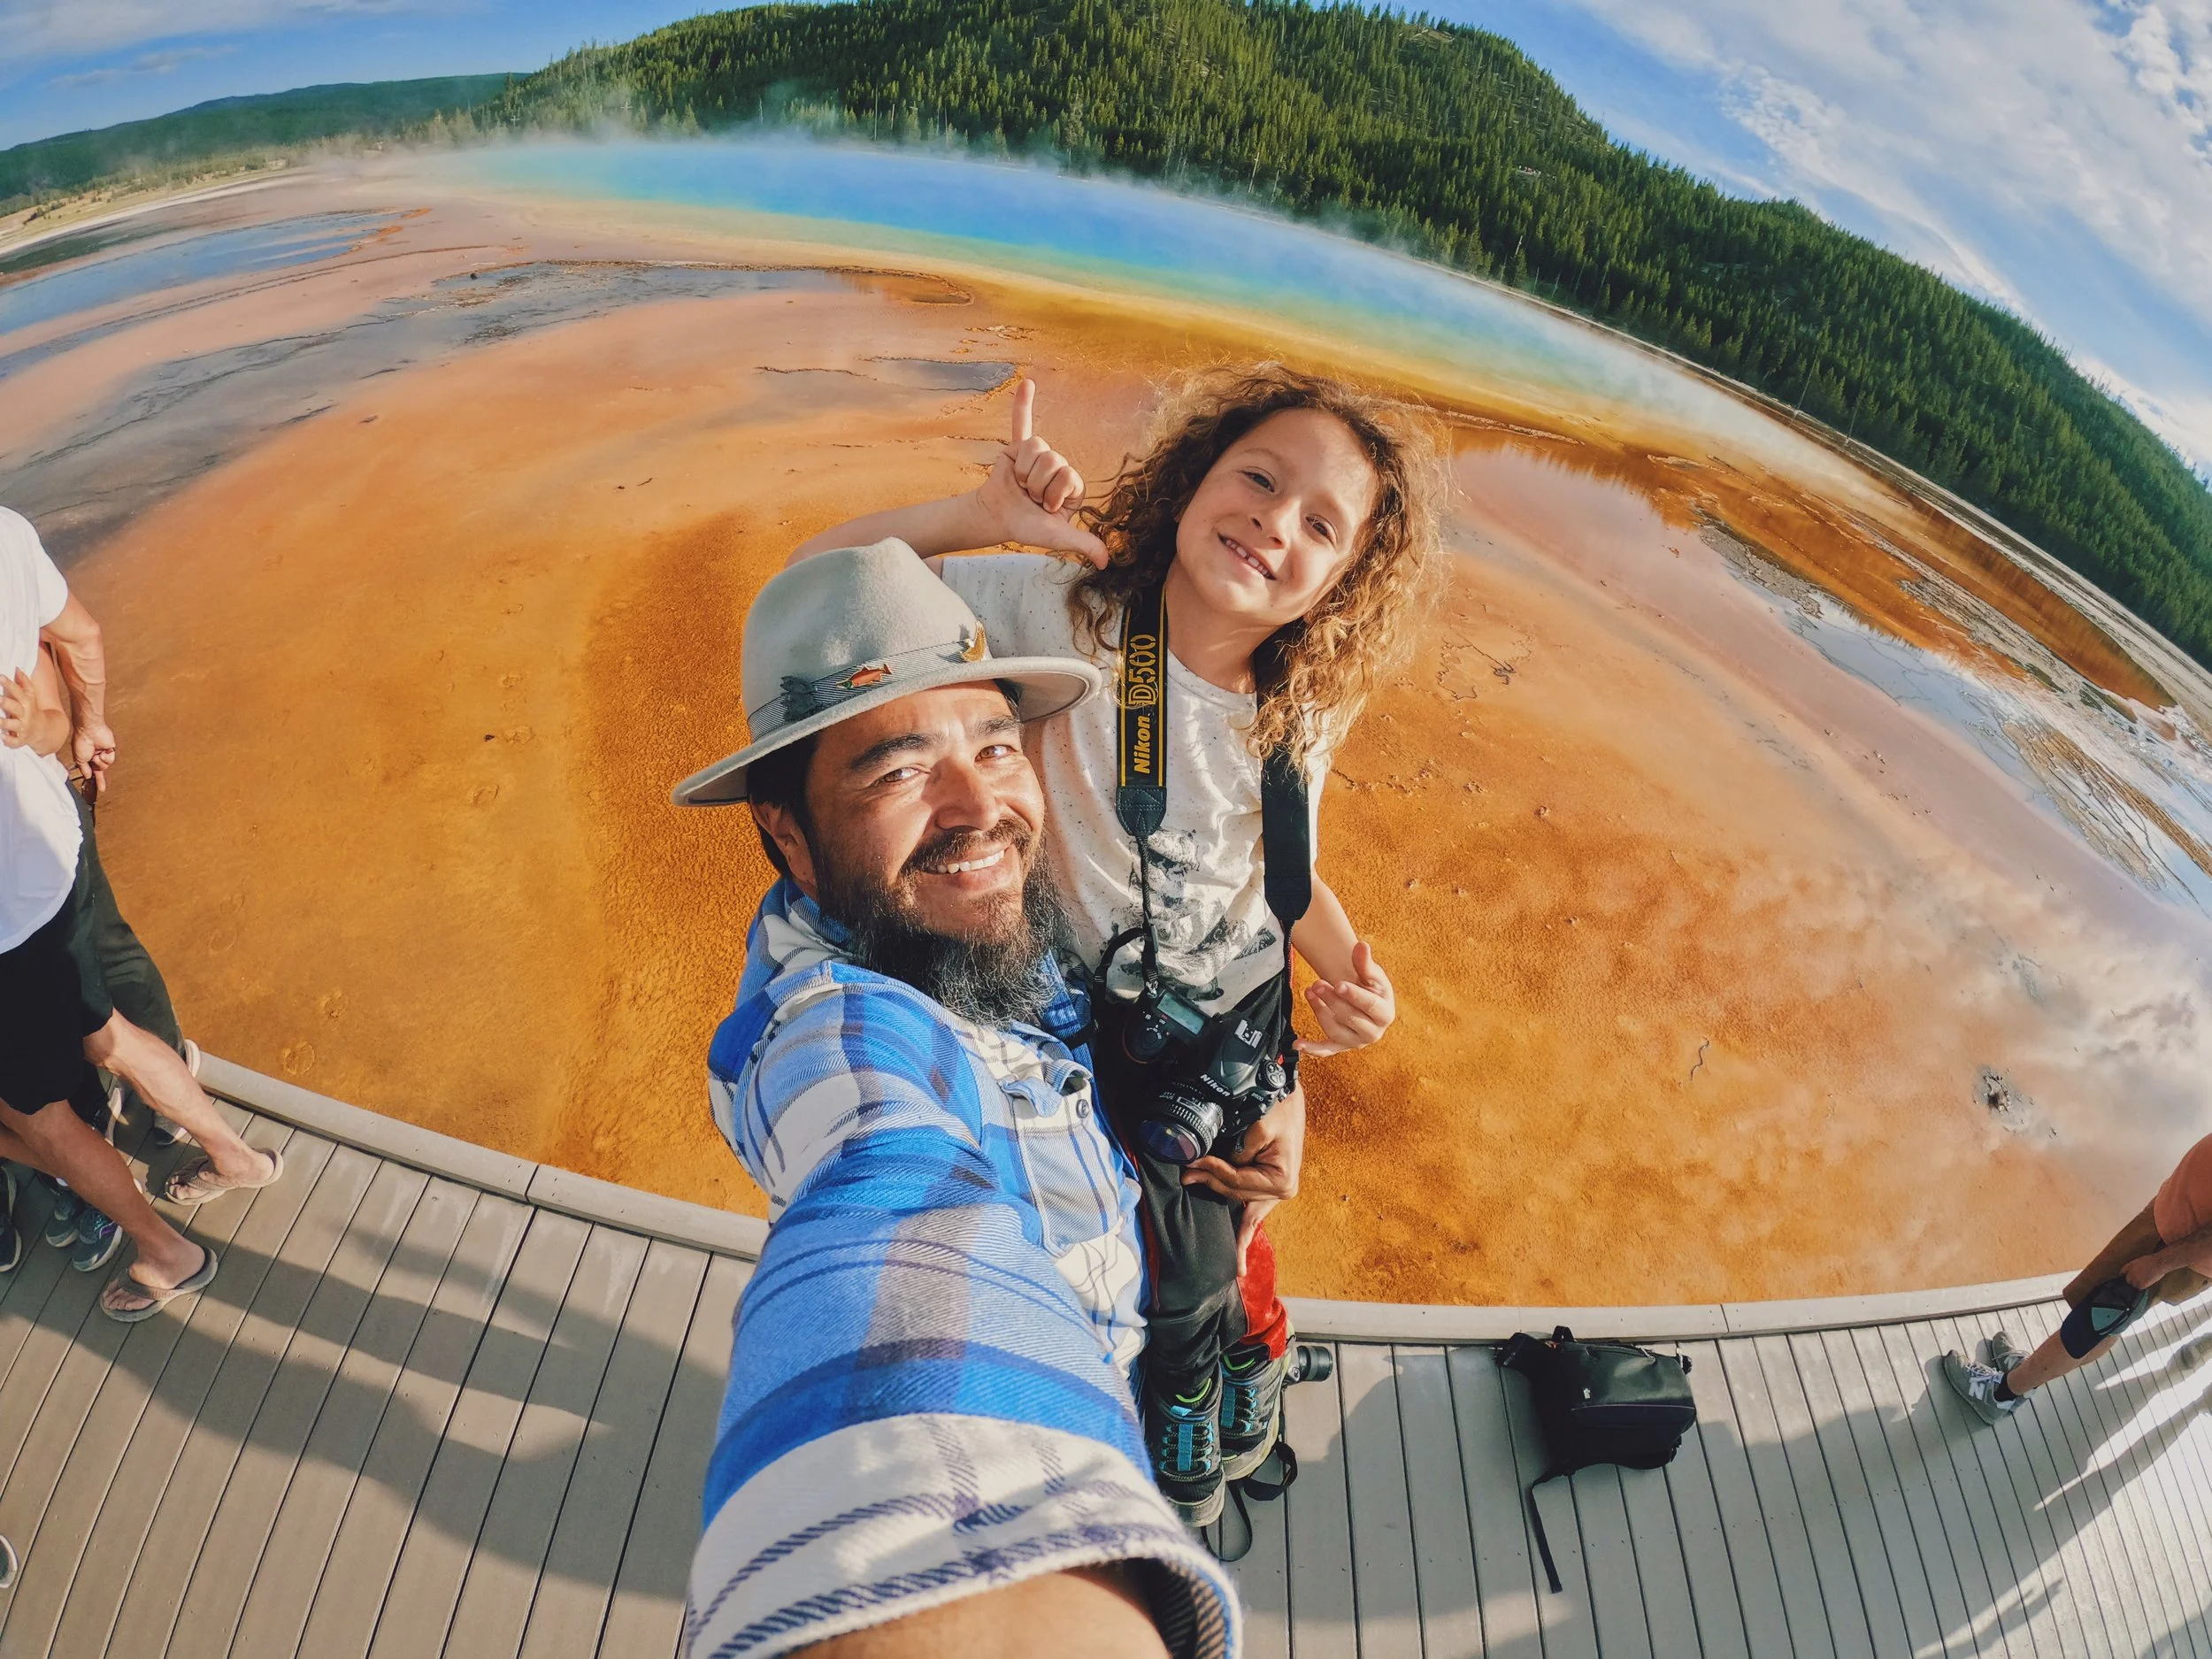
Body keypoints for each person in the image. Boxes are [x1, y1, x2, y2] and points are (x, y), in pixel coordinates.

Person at [786, 366, 1441, 1523]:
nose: (1274, 523)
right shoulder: (1066, 613)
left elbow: (1276, 869)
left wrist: (1344, 987)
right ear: (1196, 475)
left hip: (1236, 1021)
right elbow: (819, 590)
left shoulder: (1303, 701)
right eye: (1259, 478)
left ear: (1342, 584)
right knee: (1160, 1257)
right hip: (1104, 1018)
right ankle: (1181, 1427)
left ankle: (1252, 1365)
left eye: (1320, 526)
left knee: (1238, 1223)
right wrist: (976, 517)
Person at [675, 545, 1235, 1658]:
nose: (982, 808)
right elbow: (883, 1179)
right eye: (898, 772)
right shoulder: (838, 1032)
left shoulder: (945, 927)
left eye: (995, 744)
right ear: (786, 834)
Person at [0, 504, 221, 1318]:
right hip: (51, 846)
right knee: (104, 1020)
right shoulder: (5, 533)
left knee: (44, 1111)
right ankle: (230, 1152)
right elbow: (78, 642)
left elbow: (58, 674)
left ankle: (159, 1244)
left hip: (14, 909)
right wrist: (80, 725)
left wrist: (63, 725)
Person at [1942, 1131, 2212, 1424]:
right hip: (2173, 1226)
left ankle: (2000, 1394)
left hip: (2172, 1246)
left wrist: (2160, 1263)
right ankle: (2027, 1374)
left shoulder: (2166, 1255)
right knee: (2107, 1322)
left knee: (2092, 1323)